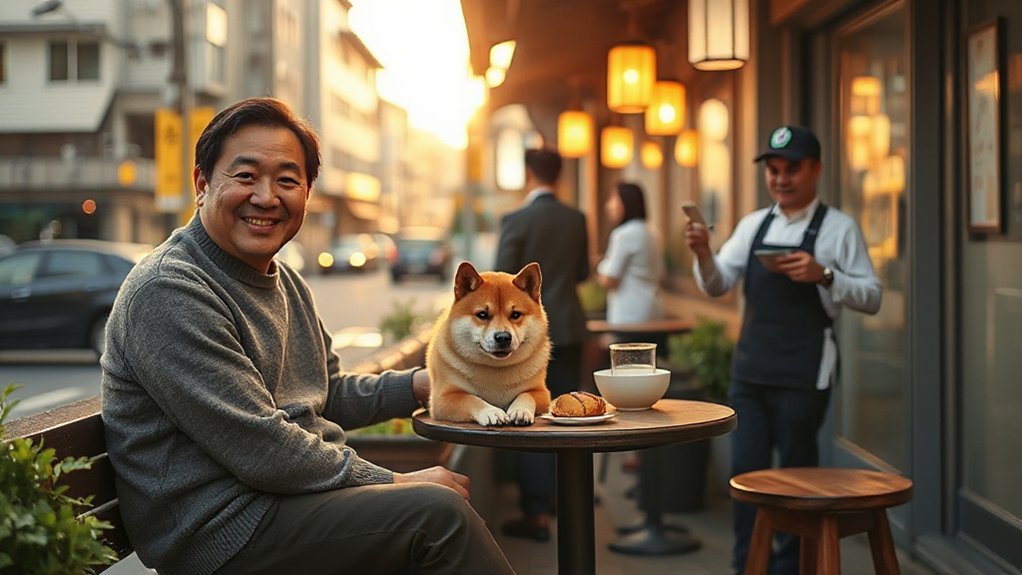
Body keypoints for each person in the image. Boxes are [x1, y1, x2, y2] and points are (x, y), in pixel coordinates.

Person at [100, 97, 513, 575]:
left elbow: (327, 392)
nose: (267, 196)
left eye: (288, 180)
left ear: (307, 194)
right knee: (437, 517)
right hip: (223, 530)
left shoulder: (283, 279)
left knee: (435, 509)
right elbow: (262, 448)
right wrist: (395, 481)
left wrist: (429, 384)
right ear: (202, 184)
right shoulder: (170, 290)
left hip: (281, 503)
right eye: (246, 175)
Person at [684, 125, 882, 574]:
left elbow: (872, 296)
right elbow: (717, 285)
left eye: (791, 168)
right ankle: (746, 565)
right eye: (773, 170)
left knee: (797, 480)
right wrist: (701, 253)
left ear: (816, 169)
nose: (780, 179)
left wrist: (825, 275)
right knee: (746, 477)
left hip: (805, 371)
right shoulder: (754, 224)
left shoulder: (839, 229)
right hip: (751, 370)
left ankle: (795, 568)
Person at [494, 147, 590, 542]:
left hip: (527, 337)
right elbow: (583, 273)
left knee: (528, 416)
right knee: (570, 411)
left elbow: (498, 282)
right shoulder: (577, 219)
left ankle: (535, 513)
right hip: (570, 325)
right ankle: (565, 500)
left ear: (528, 172)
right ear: (560, 174)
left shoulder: (516, 219)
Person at [595, 182, 664, 328]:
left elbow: (609, 280)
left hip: (629, 314)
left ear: (625, 203)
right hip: (652, 309)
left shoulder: (623, 234)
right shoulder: (653, 232)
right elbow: (661, 274)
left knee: (626, 350)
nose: (608, 206)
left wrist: (600, 266)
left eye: (613, 199)